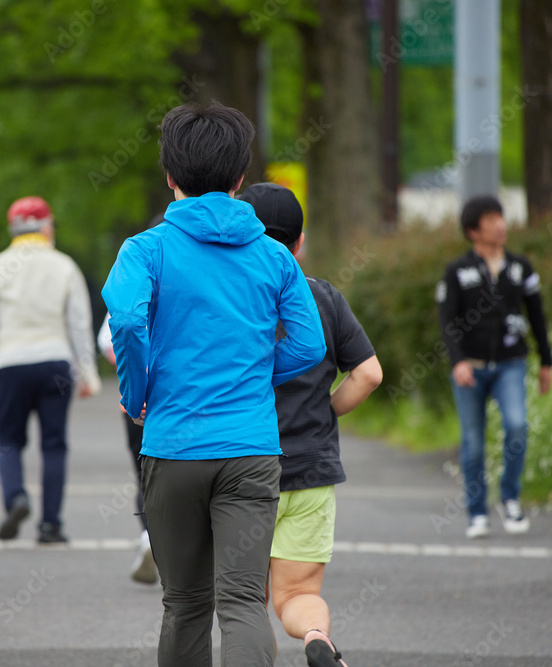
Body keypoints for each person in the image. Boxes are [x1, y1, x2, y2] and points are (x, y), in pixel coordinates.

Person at [102, 101, 327, 667]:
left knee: (183, 603)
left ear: (170, 175)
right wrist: (251, 374)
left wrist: (140, 394)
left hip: (173, 443)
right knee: (244, 602)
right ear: (240, 179)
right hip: (251, 448)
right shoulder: (275, 255)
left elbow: (126, 322)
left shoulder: (145, 250)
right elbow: (310, 344)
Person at [239, 183, 383, 667]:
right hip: (311, 474)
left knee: (245, 602)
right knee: (298, 593)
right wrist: (328, 408)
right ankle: (318, 638)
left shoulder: (232, 298)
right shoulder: (323, 298)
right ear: (300, 243)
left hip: (244, 467)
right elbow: (369, 374)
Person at [0, 196, 101, 544]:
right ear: (45, 227)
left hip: (9, 363)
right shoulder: (64, 266)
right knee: (54, 444)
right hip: (54, 362)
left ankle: (16, 497)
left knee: (9, 439)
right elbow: (79, 323)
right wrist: (87, 373)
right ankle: (50, 524)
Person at [437, 195, 552, 539]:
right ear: (473, 231)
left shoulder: (521, 267)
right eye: (491, 220)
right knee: (472, 442)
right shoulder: (457, 271)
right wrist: (457, 362)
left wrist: (546, 361)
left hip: (510, 365)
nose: (500, 224)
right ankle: (477, 513)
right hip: (469, 369)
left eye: (501, 217)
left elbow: (538, 316)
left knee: (517, 425)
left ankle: (510, 498)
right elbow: (447, 322)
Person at [98, 313, 157, 585]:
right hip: (181, 400)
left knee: (145, 475)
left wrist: (129, 365)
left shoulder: (134, 276)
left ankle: (148, 536)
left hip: (136, 402)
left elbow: (108, 339)